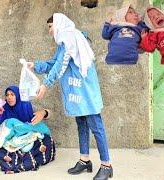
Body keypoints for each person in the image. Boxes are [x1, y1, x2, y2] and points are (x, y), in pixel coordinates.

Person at [26, 13, 113, 179]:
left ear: (58, 25)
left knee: (96, 127)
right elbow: (53, 63)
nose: (50, 32)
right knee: (81, 124)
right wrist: (35, 65)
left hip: (86, 92)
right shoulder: (64, 43)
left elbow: (60, 66)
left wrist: (45, 85)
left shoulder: (71, 39)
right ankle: (84, 160)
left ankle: (106, 165)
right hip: (77, 92)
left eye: (50, 27)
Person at [0, 86, 55, 174]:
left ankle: (11, 161)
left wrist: (44, 113)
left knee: (47, 139)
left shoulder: (26, 106)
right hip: (8, 142)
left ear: (18, 95)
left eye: (12, 94)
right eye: (7, 95)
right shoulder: (2, 109)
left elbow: (49, 113)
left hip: (27, 140)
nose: (9, 97)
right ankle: (23, 160)